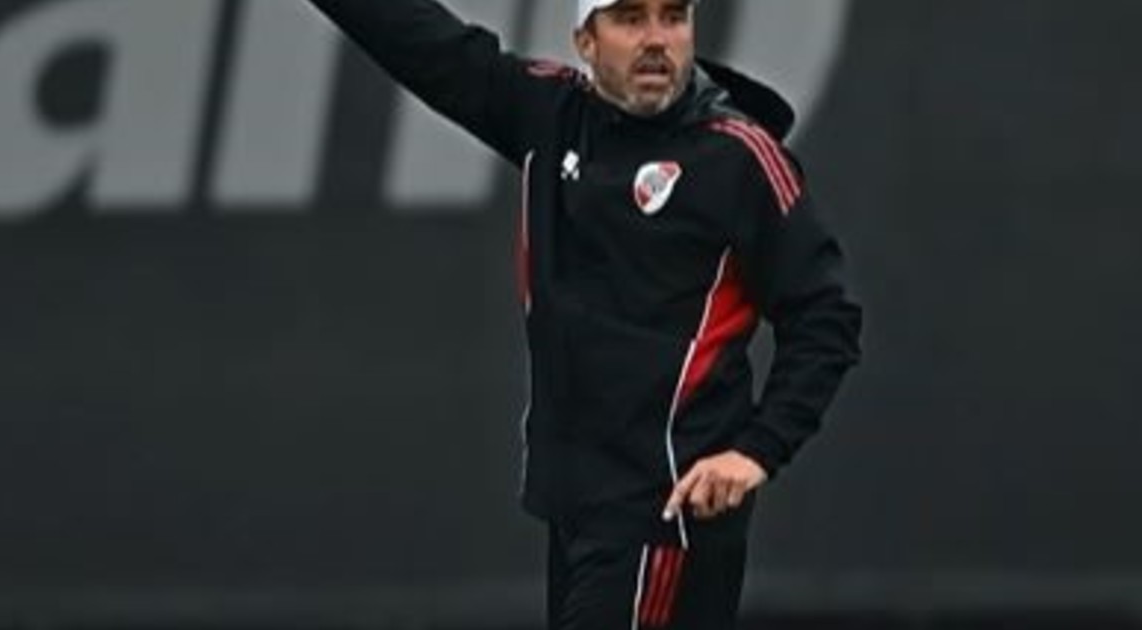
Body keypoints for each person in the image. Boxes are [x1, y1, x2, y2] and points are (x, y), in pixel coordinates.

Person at [306, 0, 863, 627]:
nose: (656, 39)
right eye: (629, 18)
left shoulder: (739, 157)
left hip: (664, 516)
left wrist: (757, 450)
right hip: (578, 508)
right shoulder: (552, 115)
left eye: (672, 16)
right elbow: (427, 45)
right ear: (586, 42)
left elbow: (826, 318)